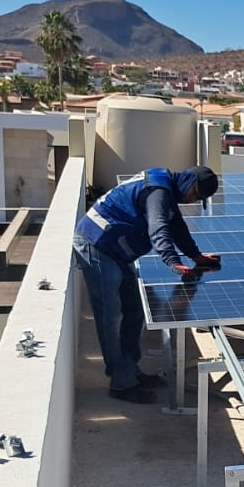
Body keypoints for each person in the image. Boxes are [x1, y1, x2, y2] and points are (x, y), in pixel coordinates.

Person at [73, 166, 222, 403]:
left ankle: (130, 370)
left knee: (135, 310)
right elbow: (159, 226)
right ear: (188, 181)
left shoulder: (167, 190)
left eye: (199, 199)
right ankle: (121, 383)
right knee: (109, 317)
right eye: (195, 193)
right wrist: (172, 261)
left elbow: (177, 228)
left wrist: (196, 256)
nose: (193, 199)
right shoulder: (158, 191)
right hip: (96, 244)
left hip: (116, 250)